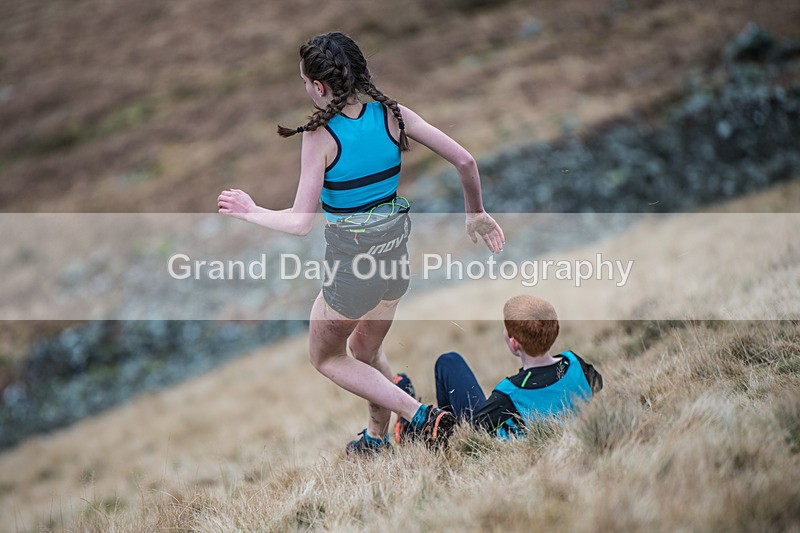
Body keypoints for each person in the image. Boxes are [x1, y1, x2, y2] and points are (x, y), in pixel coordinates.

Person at [217, 32, 505, 453]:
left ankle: (419, 415)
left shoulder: (319, 136)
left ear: (318, 86)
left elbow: (300, 222)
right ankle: (377, 437)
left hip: (352, 275)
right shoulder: (393, 115)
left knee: (327, 358)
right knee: (363, 350)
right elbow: (465, 160)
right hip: (394, 265)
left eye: (304, 83)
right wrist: (475, 212)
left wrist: (251, 210)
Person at [394, 295, 603, 442]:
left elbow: (470, 432)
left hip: (503, 440)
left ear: (514, 344)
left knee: (449, 362)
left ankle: (421, 433)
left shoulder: (509, 392)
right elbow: (597, 384)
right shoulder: (574, 362)